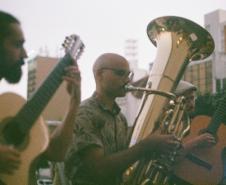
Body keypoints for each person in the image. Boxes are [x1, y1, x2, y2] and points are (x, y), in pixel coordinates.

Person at [64, 53, 180, 185]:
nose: (127, 80)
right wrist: (147, 145)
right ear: (100, 74)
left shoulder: (120, 118)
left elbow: (124, 161)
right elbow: (98, 170)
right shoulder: (84, 113)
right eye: (120, 73)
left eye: (129, 75)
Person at [0, 10, 81, 175]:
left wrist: (74, 102)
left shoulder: (10, 107)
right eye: (17, 44)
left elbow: (57, 153)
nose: (24, 54)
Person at [169, 80, 216, 185]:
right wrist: (198, 141)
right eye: (185, 100)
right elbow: (171, 157)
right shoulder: (171, 125)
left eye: (192, 98)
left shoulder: (194, 121)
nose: (191, 103)